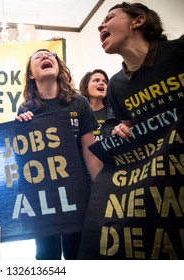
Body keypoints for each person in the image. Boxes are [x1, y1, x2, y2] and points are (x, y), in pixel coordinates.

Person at [15, 49, 102, 259]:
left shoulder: (79, 103)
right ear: (31, 75)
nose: (46, 57)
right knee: (46, 254)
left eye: (50, 55)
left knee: (77, 253)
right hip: (43, 196)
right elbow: (22, 160)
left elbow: (90, 152)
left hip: (78, 191)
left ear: (59, 67)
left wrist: (101, 191)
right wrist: (21, 130)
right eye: (38, 56)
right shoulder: (25, 109)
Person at [97, 1, 184, 136]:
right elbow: (130, 130)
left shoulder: (180, 50)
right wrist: (121, 132)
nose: (100, 26)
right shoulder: (114, 86)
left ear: (138, 21)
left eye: (109, 18)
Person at [79, 69, 120, 141]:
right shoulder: (78, 113)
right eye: (96, 80)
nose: (102, 83)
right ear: (86, 87)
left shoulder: (115, 112)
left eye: (105, 82)